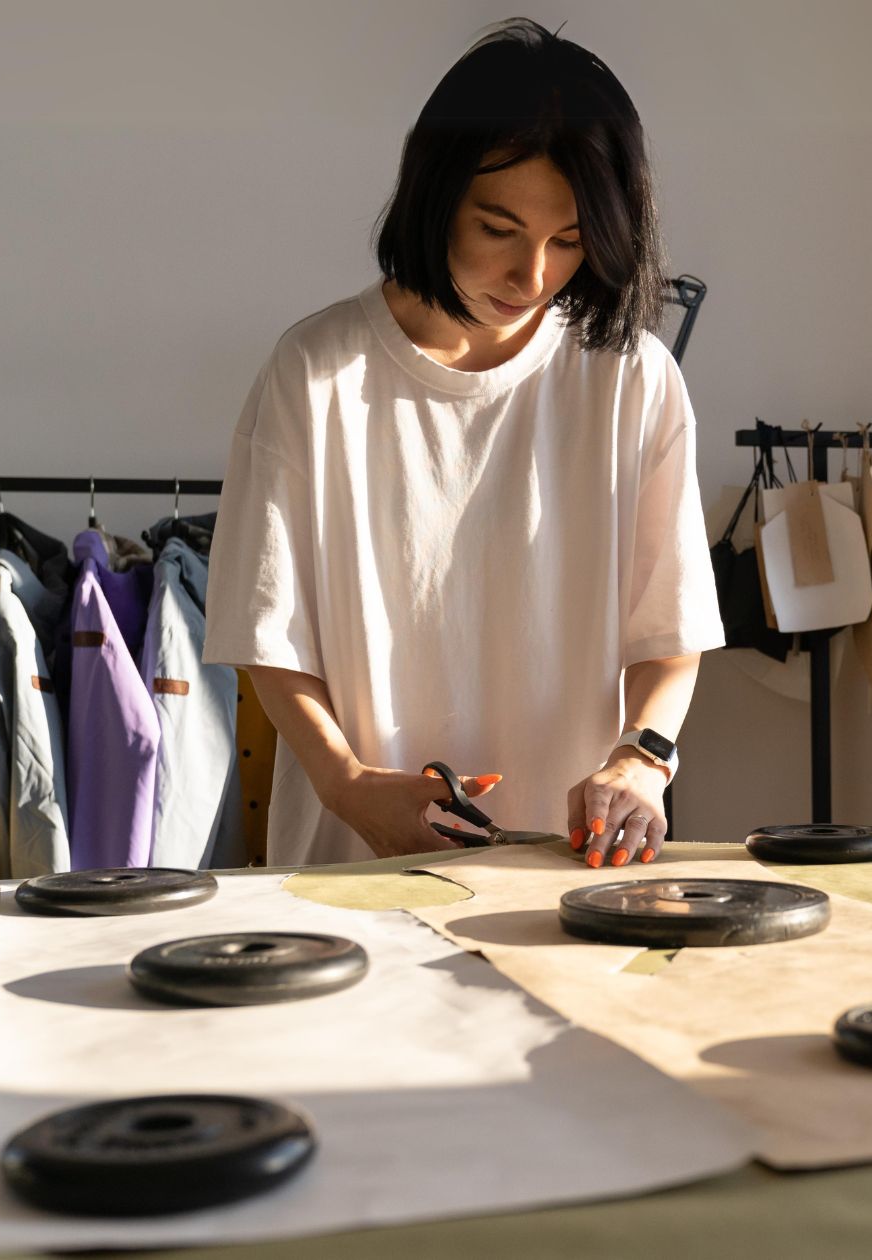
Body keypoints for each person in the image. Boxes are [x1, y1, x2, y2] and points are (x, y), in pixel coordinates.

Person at [203, 18, 722, 870]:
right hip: (351, 865)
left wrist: (641, 761)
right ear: (435, 194)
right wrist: (346, 785)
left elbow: (671, 635)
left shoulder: (634, 378)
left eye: (569, 241)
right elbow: (267, 639)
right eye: (498, 229)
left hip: (567, 872)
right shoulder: (317, 373)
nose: (533, 278)